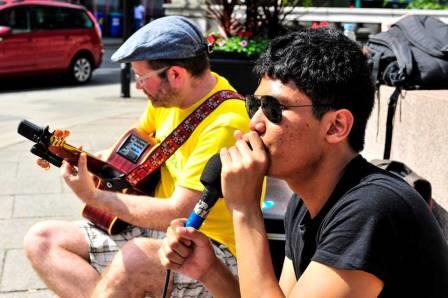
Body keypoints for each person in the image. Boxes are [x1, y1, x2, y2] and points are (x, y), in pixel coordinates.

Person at [159, 28, 448, 297]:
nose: (255, 122)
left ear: (336, 126)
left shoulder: (371, 209)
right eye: (254, 105)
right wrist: (210, 270)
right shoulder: (303, 203)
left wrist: (245, 210)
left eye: (273, 108)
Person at [24, 16, 250, 298]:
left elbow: (180, 210)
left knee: (134, 259)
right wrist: (81, 159)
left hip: (209, 248)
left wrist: (93, 196)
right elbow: (132, 145)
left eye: (142, 78)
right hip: (155, 230)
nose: (138, 86)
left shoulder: (225, 123)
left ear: (176, 75)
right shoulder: (170, 99)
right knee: (42, 241)